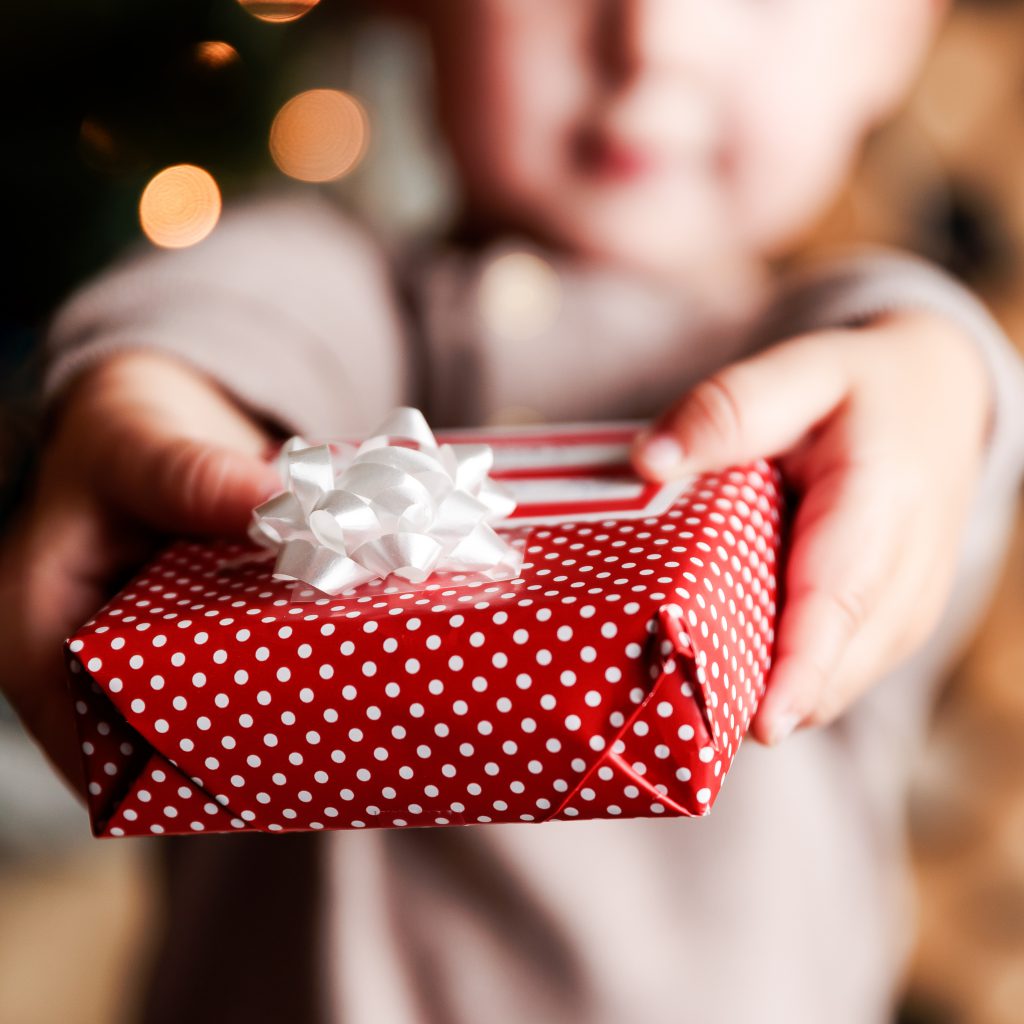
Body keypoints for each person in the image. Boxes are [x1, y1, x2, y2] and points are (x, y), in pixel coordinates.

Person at [3, 0, 1024, 1021]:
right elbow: (245, 291)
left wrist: (940, 372)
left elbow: (911, 381)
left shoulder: (828, 375)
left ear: (892, 43)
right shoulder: (354, 309)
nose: (652, 38)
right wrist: (148, 384)